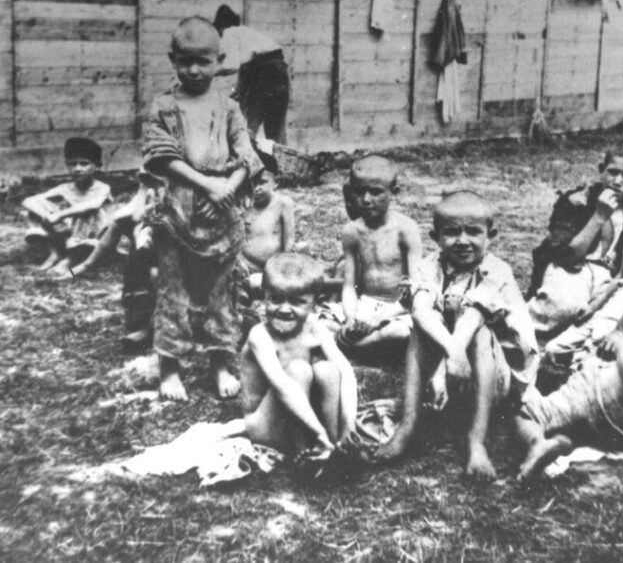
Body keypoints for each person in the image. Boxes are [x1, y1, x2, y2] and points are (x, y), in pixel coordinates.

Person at [376, 191, 538, 480]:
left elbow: (473, 317)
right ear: (436, 236)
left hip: (499, 381)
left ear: (491, 235)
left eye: (473, 232)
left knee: (478, 330)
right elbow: (421, 310)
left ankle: (476, 441)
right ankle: (407, 429)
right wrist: (450, 356)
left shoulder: (496, 271)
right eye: (452, 232)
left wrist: (443, 368)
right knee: (420, 329)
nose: (463, 240)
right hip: (454, 369)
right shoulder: (429, 266)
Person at [142, 16, 262, 402]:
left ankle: (220, 361)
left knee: (222, 291)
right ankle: (170, 367)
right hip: (178, 211)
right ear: (172, 59)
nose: (194, 70)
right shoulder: (163, 107)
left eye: (203, 61)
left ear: (220, 60)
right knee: (172, 290)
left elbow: (246, 153)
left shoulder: (229, 108)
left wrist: (226, 188)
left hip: (221, 212)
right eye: (185, 61)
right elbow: (161, 156)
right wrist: (206, 186)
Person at [219, 253, 357, 458]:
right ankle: (303, 451)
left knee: (328, 370)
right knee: (298, 370)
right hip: (265, 426)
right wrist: (316, 431)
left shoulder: (315, 328)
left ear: (314, 305)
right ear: (264, 296)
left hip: (303, 415)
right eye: (275, 299)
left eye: (296, 302)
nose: (284, 309)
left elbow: (346, 372)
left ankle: (335, 443)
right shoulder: (260, 335)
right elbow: (283, 386)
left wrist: (349, 425)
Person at [527, 149, 623, 364]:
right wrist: (599, 216)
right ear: (601, 170)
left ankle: (575, 357)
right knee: (564, 303)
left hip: (612, 280)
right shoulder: (577, 201)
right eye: (613, 172)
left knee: (605, 323)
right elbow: (567, 257)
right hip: (573, 268)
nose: (619, 181)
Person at [326, 154, 422, 358]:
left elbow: (415, 286)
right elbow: (349, 285)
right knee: (320, 323)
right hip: (364, 304)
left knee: (399, 332)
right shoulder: (352, 231)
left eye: (376, 192)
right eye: (359, 192)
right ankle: (360, 340)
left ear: (393, 192)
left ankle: (356, 347)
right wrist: (351, 318)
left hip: (397, 308)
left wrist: (378, 320)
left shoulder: (406, 229)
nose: (366, 199)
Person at [59, 170, 161, 352]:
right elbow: (131, 217)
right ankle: (145, 322)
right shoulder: (149, 192)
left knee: (156, 272)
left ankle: (155, 325)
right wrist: (144, 188)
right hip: (152, 254)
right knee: (135, 241)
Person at [516, 339, 623, 481]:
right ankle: (560, 443)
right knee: (577, 434)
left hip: (602, 392)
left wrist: (620, 345)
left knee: (529, 414)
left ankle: (537, 442)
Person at [23, 137, 112, 274]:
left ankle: (71, 259)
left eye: (84, 164)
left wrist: (60, 215)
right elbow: (29, 201)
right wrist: (49, 215)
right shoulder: (65, 188)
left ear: (97, 166)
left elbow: (91, 206)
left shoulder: (102, 188)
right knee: (34, 210)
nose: (77, 169)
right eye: (72, 164)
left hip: (95, 234)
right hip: (69, 231)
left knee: (86, 212)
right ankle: (55, 253)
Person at [213, 4, 290, 144]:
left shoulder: (230, 32)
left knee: (250, 123)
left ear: (221, 25)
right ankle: (279, 159)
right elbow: (245, 68)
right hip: (280, 71)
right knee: (276, 126)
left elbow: (233, 65)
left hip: (264, 73)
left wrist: (210, 70)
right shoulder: (247, 32)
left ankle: (246, 153)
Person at [234, 163, 295, 336]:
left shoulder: (283, 203)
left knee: (276, 295)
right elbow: (237, 238)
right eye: (253, 183)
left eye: (263, 182)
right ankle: (244, 314)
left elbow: (289, 241)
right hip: (245, 268)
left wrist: (280, 270)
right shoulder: (244, 204)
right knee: (237, 291)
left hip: (272, 270)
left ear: (275, 183)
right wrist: (239, 262)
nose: (257, 188)